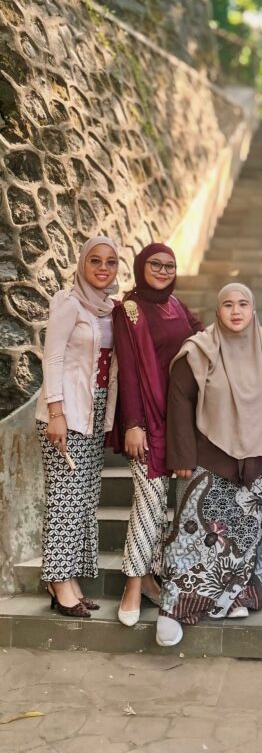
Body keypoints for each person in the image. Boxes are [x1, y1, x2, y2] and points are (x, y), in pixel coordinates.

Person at [156, 283, 262, 647]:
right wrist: (181, 457)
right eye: (228, 305)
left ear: (253, 310)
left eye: (243, 304)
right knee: (193, 539)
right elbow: (179, 402)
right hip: (208, 459)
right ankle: (175, 608)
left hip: (256, 461)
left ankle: (234, 598)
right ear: (217, 310)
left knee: (242, 539)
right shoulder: (198, 350)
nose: (236, 311)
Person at [110, 243, 204, 626]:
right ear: (140, 266)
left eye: (170, 265)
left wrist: (251, 335)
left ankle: (150, 577)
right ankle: (132, 585)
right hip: (146, 419)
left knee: (165, 504)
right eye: (156, 264)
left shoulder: (177, 306)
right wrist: (133, 423)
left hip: (178, 418)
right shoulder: (129, 310)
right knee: (148, 502)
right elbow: (129, 370)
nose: (164, 271)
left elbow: (204, 337)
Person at [36, 235, 120, 617]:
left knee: (83, 499)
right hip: (65, 412)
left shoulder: (111, 309)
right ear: (82, 264)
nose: (103, 268)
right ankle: (58, 581)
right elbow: (52, 358)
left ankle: (69, 580)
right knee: (65, 497)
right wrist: (56, 413)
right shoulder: (68, 303)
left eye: (110, 261)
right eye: (95, 260)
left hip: (94, 411)